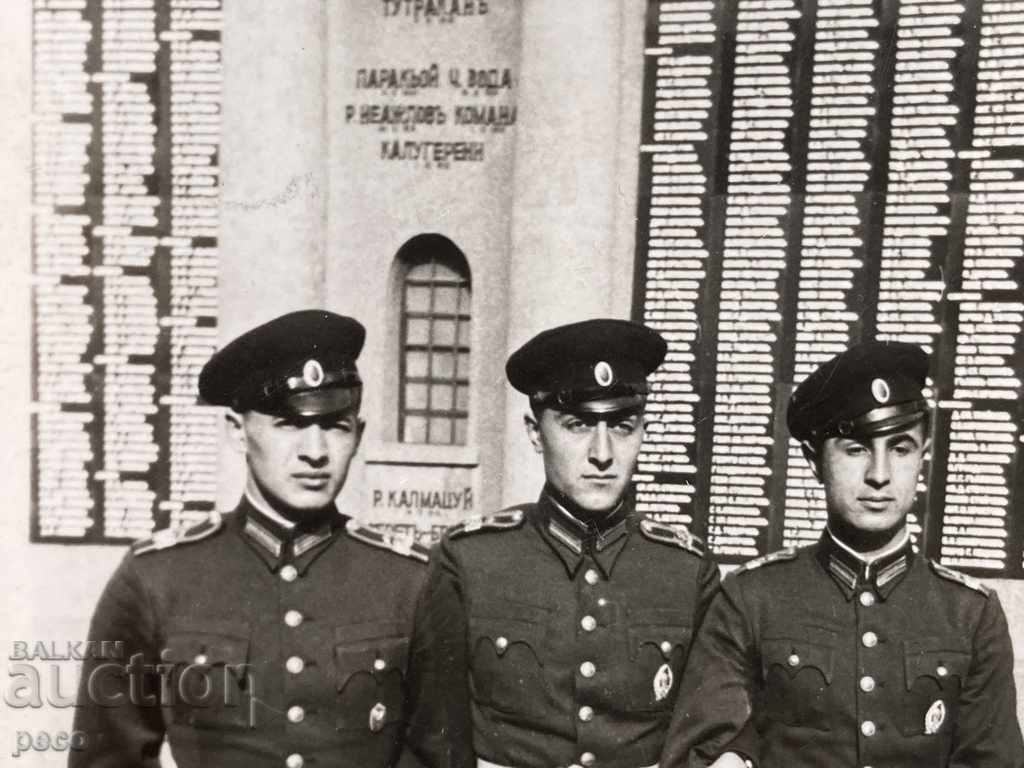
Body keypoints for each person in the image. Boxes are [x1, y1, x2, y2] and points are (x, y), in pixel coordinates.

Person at [71, 310, 429, 768]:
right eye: (288, 424)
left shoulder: (409, 581)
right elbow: (108, 758)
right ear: (237, 432)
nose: (315, 453)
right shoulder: (156, 579)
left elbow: (436, 754)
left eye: (335, 426)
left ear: (357, 436)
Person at [659, 339, 1024, 768]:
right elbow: (702, 753)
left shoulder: (970, 615)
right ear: (815, 460)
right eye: (856, 449)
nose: (879, 475)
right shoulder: (750, 600)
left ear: (923, 458)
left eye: (901, 449)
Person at [404, 318, 721, 768]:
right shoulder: (471, 560)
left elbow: (703, 734)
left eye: (623, 426)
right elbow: (437, 740)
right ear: (536, 433)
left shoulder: (685, 571)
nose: (602, 453)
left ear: (643, 432)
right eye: (578, 425)